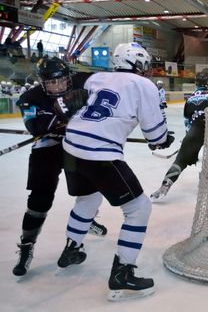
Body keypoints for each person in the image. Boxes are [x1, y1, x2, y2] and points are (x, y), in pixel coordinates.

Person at [58, 42, 174, 301]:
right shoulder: (144, 85)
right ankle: (123, 272)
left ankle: (71, 249)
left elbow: (73, 101)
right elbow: (155, 134)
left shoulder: (96, 77)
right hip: (99, 153)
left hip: (71, 146)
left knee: (87, 198)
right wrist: (163, 139)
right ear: (139, 63)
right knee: (139, 209)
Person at [12, 57, 107, 277]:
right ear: (42, 82)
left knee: (89, 189)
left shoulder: (82, 82)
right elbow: (34, 126)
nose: (57, 86)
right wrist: (61, 118)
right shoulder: (30, 97)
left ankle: (86, 219)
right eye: (51, 83)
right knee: (39, 199)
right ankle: (27, 246)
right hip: (46, 149)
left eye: (61, 82)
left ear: (68, 78)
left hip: (74, 147)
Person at [150, 72, 208, 201]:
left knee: (180, 161)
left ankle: (165, 185)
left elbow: (187, 121)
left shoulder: (190, 98)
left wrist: (189, 139)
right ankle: (207, 179)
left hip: (195, 131)